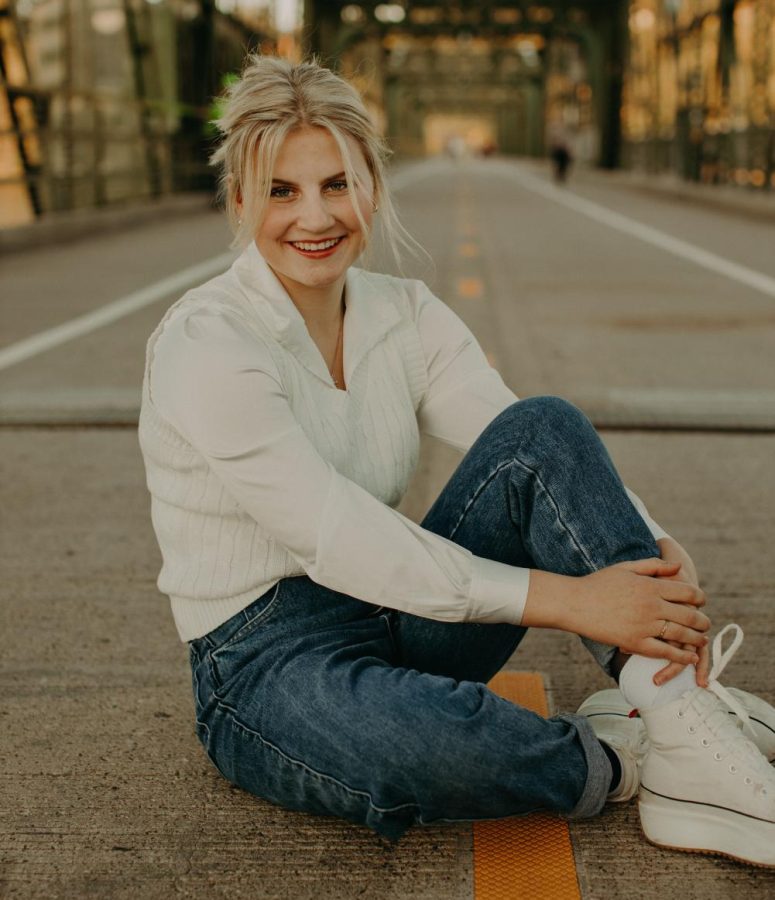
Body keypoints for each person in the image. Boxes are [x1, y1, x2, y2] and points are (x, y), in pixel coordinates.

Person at [137, 55, 775, 866]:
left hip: (390, 609)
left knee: (540, 424)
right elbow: (333, 535)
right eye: (280, 191)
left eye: (337, 183)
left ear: (372, 185)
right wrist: (573, 602)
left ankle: (680, 719)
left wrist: (649, 541)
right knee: (439, 751)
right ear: (239, 202)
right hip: (263, 659)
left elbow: (523, 443)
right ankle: (625, 753)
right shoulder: (210, 343)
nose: (314, 216)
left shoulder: (402, 312)